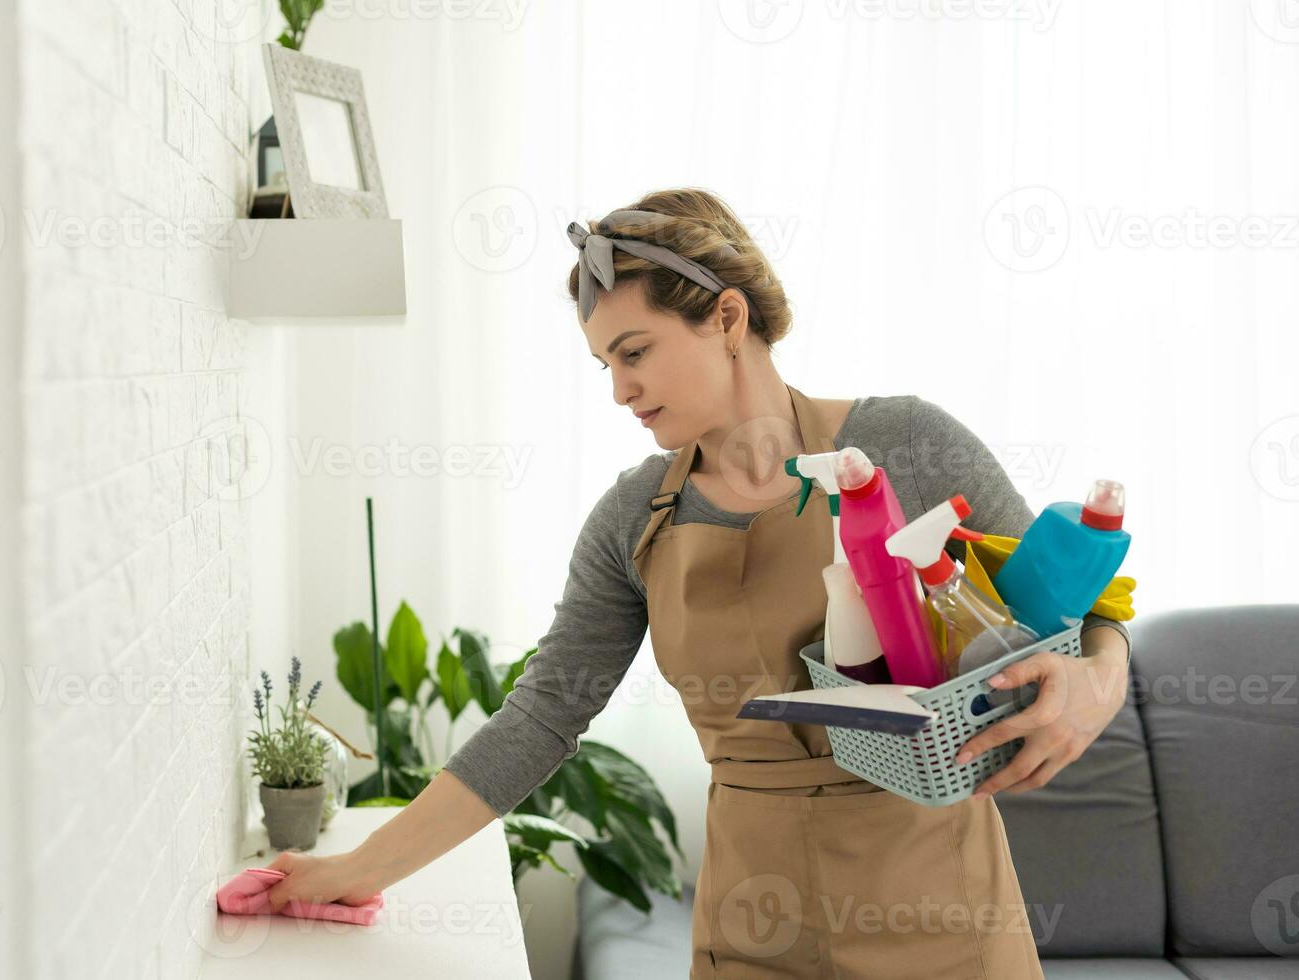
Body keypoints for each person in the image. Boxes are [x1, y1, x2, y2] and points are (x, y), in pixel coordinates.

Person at [262, 188, 1132, 978]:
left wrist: (1097, 679)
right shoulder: (633, 520)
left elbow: (1076, 606)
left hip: (944, 918)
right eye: (604, 364)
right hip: (756, 928)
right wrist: (352, 871)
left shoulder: (904, 439)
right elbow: (540, 717)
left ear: (725, 317)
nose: (620, 391)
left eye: (634, 351)